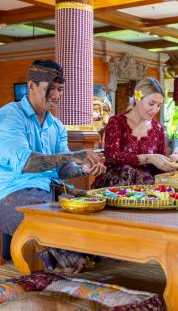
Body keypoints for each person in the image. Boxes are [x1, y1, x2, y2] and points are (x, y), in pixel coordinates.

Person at [0, 59, 106, 271]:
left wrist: (83, 168)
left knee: (100, 205)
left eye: (60, 89)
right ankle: (66, 261)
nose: (57, 96)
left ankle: (78, 255)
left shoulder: (56, 126)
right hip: (12, 193)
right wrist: (72, 156)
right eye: (52, 89)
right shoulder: (10, 115)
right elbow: (27, 163)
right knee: (47, 220)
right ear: (31, 86)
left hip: (51, 190)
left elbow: (62, 170)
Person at [92, 77, 177, 188]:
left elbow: (158, 167)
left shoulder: (158, 128)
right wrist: (149, 158)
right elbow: (112, 156)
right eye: (151, 103)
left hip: (146, 189)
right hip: (115, 186)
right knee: (126, 170)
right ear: (138, 98)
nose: (156, 109)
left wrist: (170, 162)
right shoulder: (116, 122)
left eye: (158, 105)